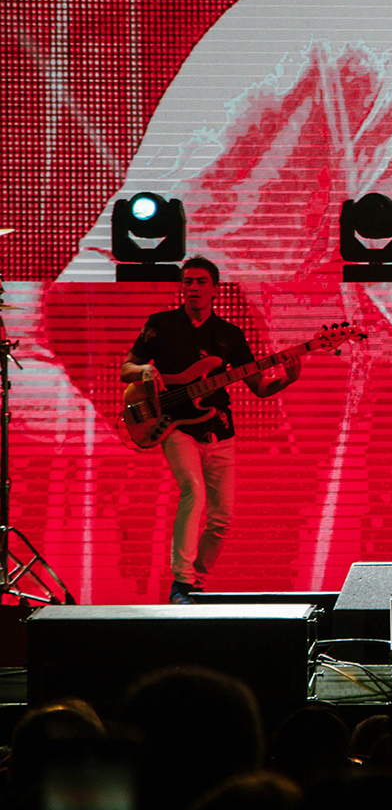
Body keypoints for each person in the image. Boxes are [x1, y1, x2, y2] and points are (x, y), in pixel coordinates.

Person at [121, 257, 301, 604]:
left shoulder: (229, 335)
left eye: (201, 282)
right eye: (188, 282)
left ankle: (196, 583)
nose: (193, 288)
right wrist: (143, 371)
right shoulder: (160, 325)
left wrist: (288, 379)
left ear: (215, 289)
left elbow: (259, 387)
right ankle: (181, 582)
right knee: (193, 489)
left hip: (219, 428)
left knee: (222, 519)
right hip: (173, 425)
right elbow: (127, 367)